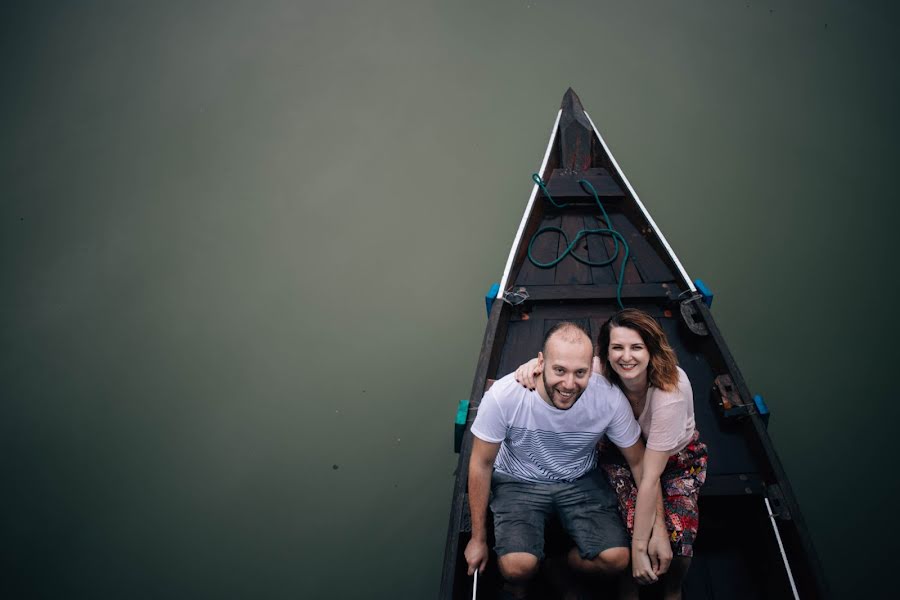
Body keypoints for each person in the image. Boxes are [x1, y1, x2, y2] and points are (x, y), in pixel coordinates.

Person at [515, 309, 708, 600]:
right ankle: (627, 584)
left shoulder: (670, 393)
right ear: (606, 352)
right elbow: (564, 363)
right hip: (621, 453)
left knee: (678, 541)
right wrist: (531, 365)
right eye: (617, 347)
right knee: (629, 528)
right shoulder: (604, 367)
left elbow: (650, 474)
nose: (626, 357)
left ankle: (672, 588)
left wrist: (651, 540)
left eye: (636, 348)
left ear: (651, 350)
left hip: (675, 461)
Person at [464, 321, 663, 599]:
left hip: (579, 478)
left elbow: (641, 463)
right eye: (559, 370)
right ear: (541, 362)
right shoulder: (505, 396)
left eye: (580, 373)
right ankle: (525, 575)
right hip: (518, 480)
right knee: (516, 568)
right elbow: (481, 463)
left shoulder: (607, 397)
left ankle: (559, 567)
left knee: (616, 559)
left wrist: (658, 529)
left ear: (591, 367)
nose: (569, 384)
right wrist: (477, 538)